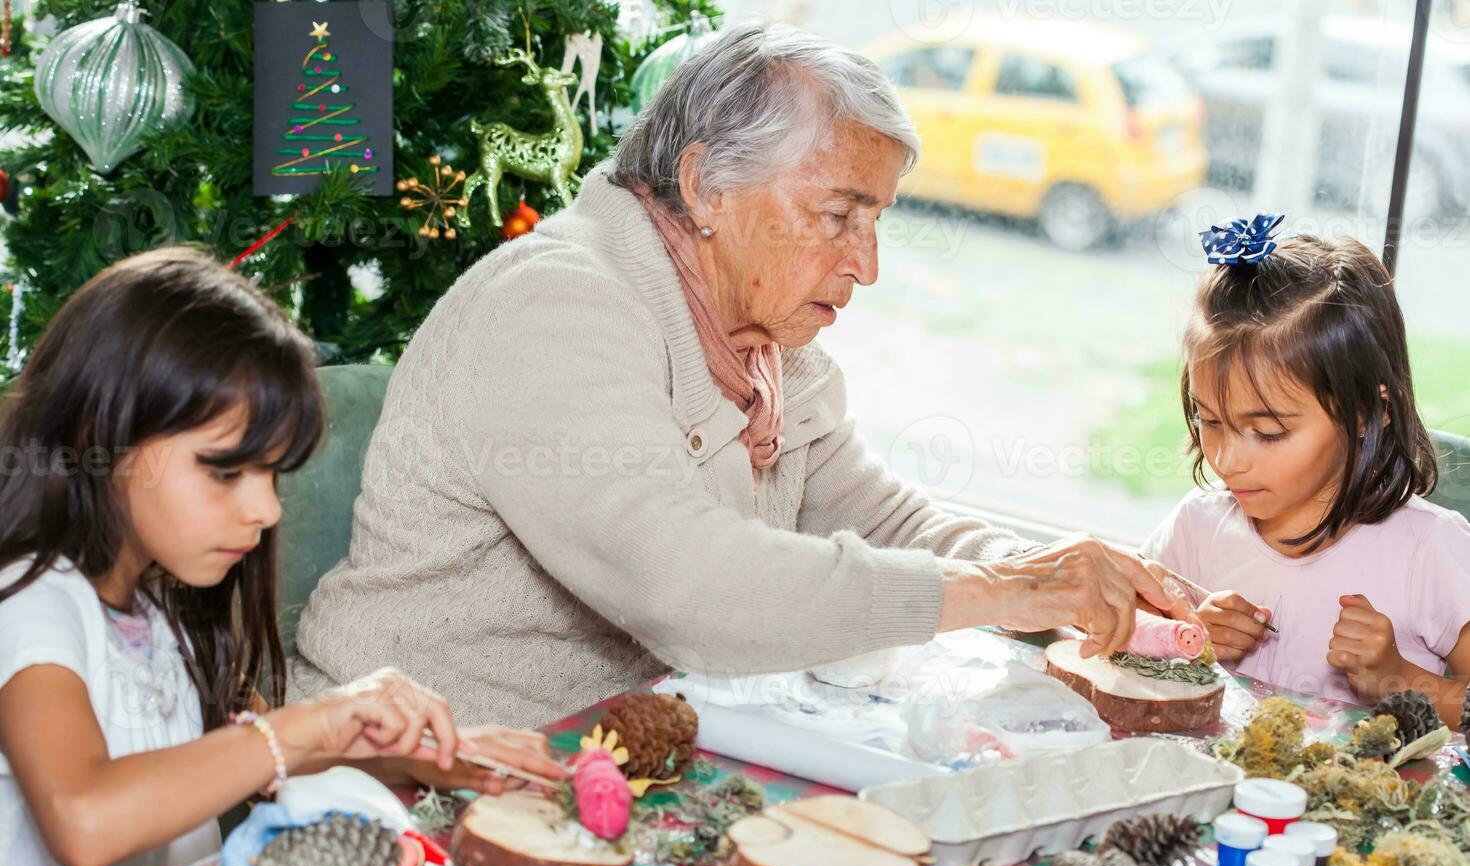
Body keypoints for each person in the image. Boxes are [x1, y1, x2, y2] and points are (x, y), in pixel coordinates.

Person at [294, 24, 1198, 729]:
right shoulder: (554, 309)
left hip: (607, 759)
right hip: (404, 775)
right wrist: (1009, 594)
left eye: (875, 219)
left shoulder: (769, 345)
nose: (868, 264)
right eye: (839, 214)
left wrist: (1043, 570)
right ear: (704, 189)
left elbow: (880, 519)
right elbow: (685, 586)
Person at [0, 248, 564, 866]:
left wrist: (428, 757)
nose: (264, 510)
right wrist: (306, 725)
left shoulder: (165, 601)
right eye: (226, 471)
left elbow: (238, 754)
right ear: (99, 442)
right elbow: (84, 819)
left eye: (271, 474)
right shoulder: (32, 602)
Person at [1142, 221, 1470, 718]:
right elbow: (1119, 638)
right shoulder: (1197, 527)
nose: (1227, 460)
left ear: (1367, 412)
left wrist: (1399, 678)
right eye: (1209, 420)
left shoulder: (1430, 550)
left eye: (1269, 433)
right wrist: (1185, 638)